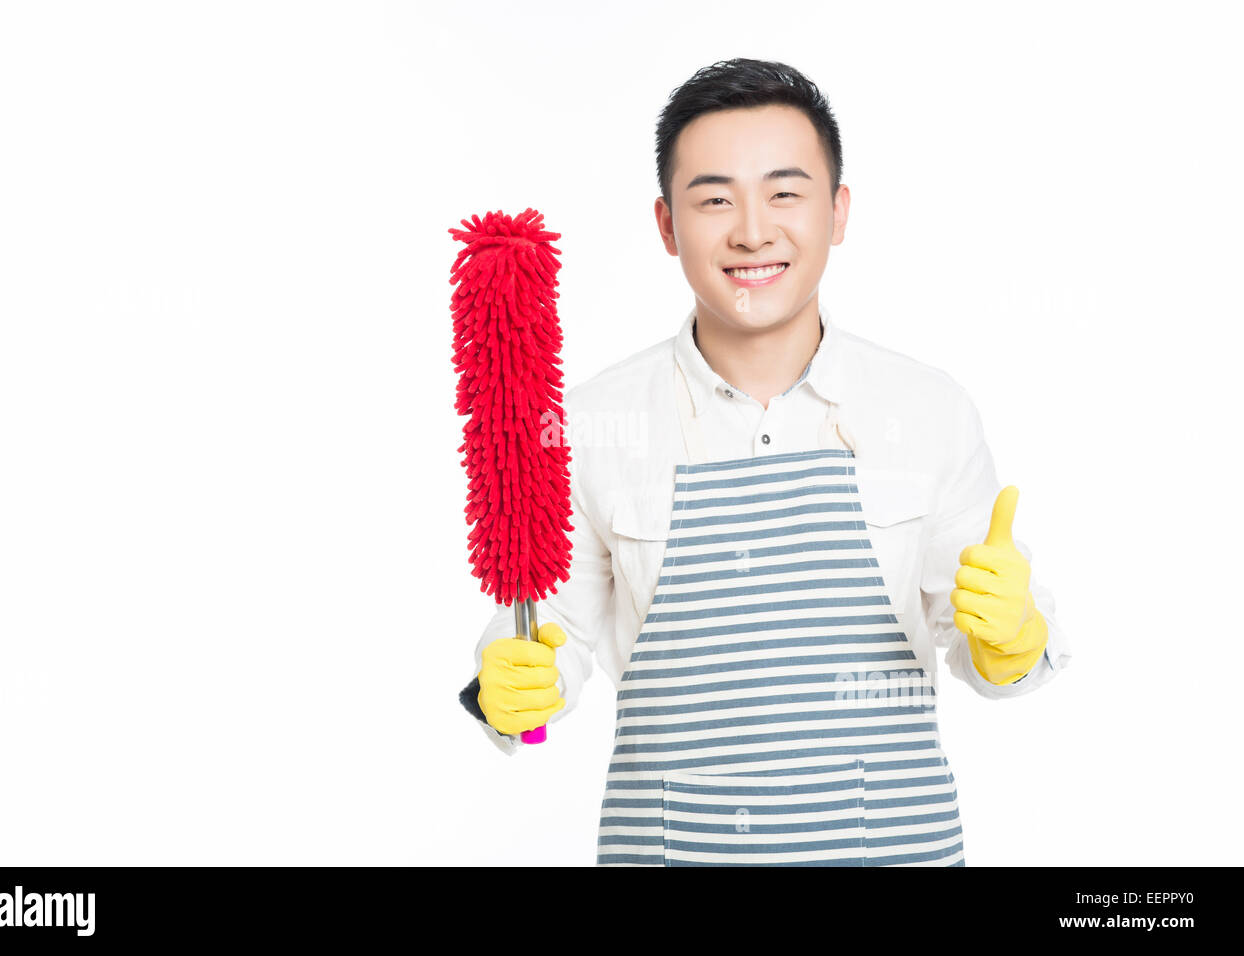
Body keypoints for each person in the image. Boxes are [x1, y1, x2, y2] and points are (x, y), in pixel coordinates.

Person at [457, 57, 1072, 866]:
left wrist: (1014, 639)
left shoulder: (928, 409)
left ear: (839, 210)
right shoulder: (593, 423)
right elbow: (555, 634)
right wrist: (508, 688)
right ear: (667, 224)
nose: (752, 230)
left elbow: (987, 654)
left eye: (785, 192)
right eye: (715, 199)